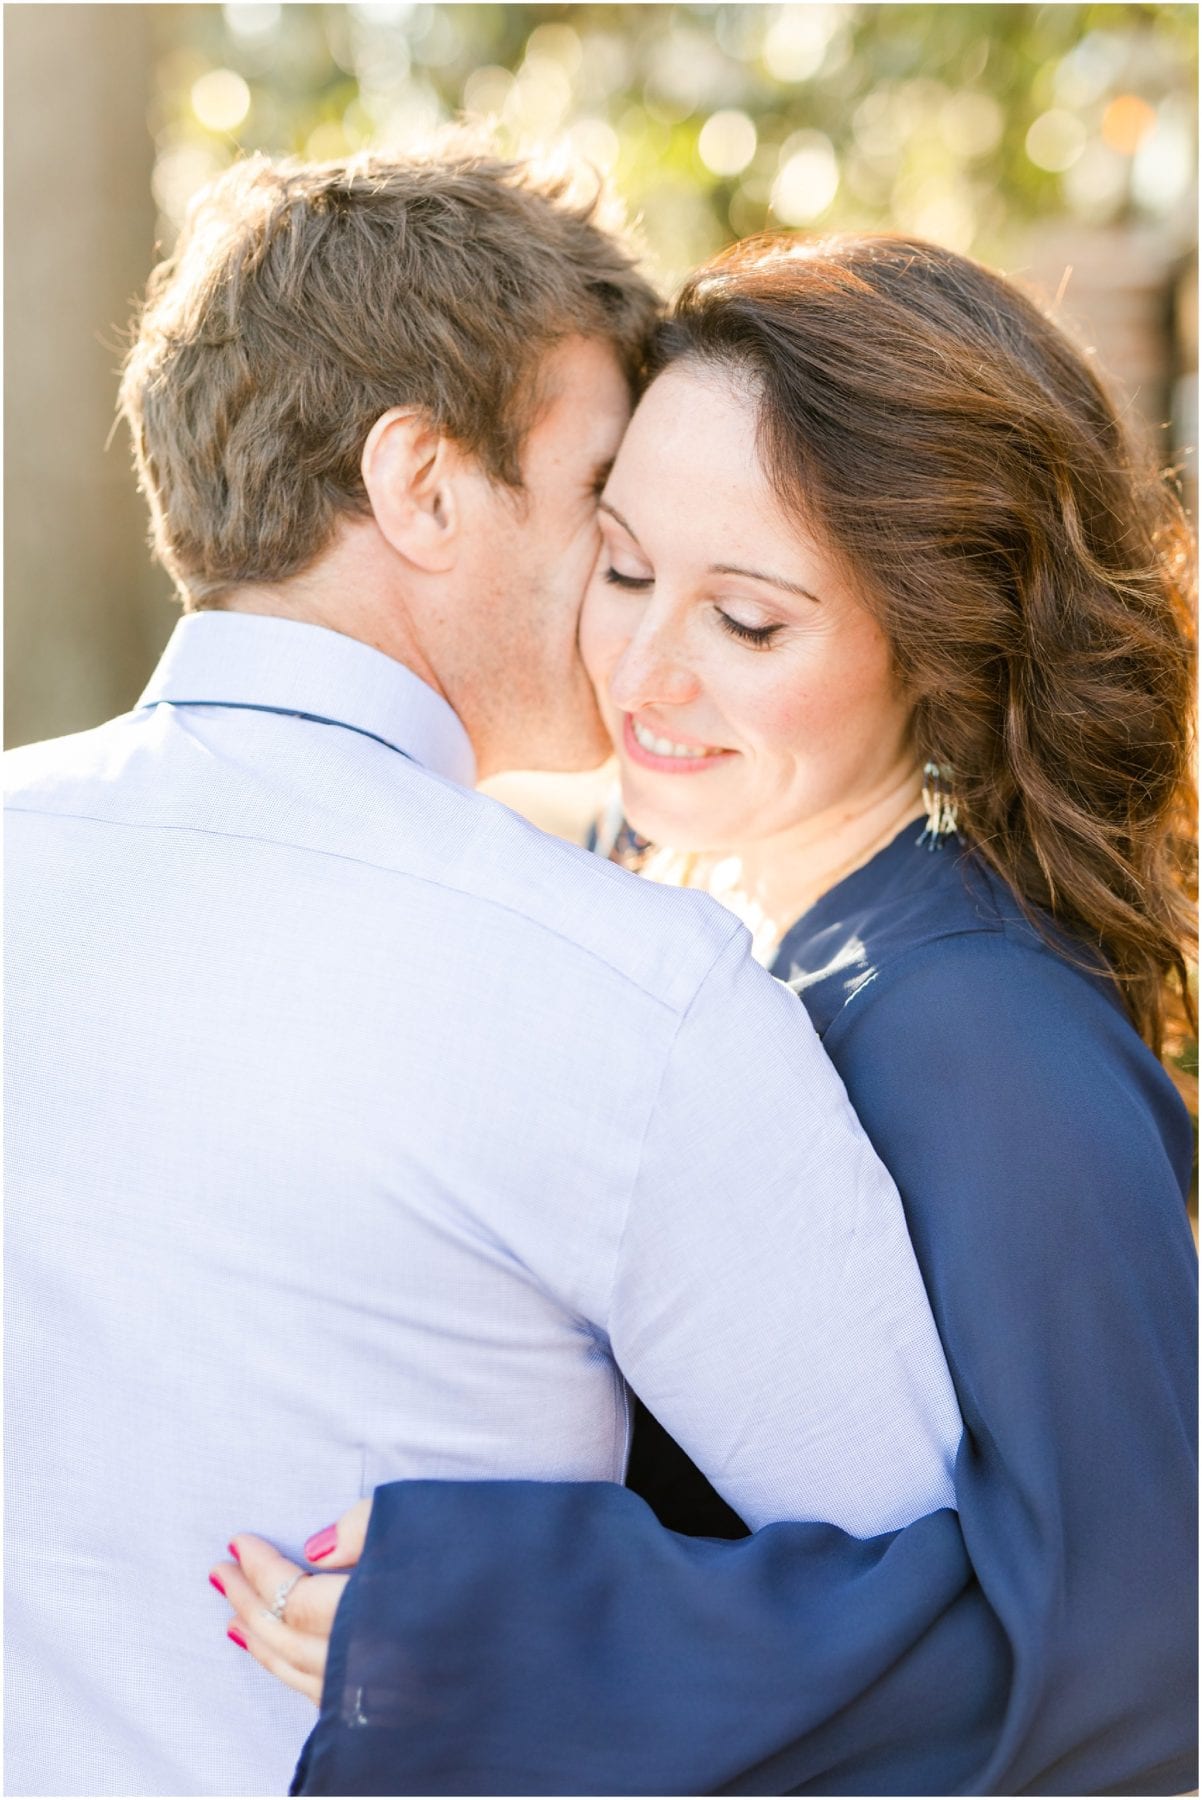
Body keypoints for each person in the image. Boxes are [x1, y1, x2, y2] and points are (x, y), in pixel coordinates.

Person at [4, 158, 967, 1797]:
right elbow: (946, 1588)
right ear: (423, 486)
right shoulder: (626, 989)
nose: (630, 560)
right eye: (600, 494)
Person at [221, 236, 1198, 1797]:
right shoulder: (697, 931)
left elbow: (1133, 1669)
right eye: (620, 570)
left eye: (746, 623)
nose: (643, 671)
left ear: (938, 640)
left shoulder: (988, 1044)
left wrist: (512, 1625)